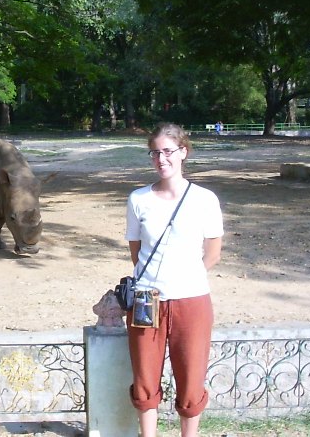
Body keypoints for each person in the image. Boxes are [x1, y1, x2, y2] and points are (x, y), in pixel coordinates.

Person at [125, 122, 223, 437]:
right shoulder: (138, 199)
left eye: (167, 151)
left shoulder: (205, 199)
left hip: (191, 299)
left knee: (192, 377)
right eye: (154, 153)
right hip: (146, 300)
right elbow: (137, 251)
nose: (161, 159)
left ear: (183, 152)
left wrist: (185, 278)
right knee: (144, 376)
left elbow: (212, 253)